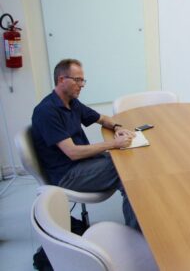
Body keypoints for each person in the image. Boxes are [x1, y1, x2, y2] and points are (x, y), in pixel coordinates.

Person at [32, 58, 140, 230]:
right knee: (125, 169)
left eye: (83, 80)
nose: (82, 85)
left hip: (83, 164)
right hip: (67, 174)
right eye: (77, 80)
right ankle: (136, 232)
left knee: (125, 160)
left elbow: (102, 118)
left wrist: (117, 127)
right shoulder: (47, 111)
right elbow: (72, 152)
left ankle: (137, 224)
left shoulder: (72, 103)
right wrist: (113, 143)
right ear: (61, 80)